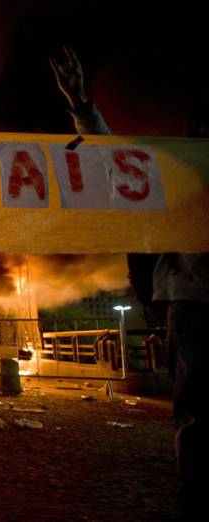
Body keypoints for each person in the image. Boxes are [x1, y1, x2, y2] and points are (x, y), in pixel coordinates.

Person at [52, 45, 206, 518]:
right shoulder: (174, 171)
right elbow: (115, 158)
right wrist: (80, 106)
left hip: (187, 303)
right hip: (192, 305)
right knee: (198, 416)